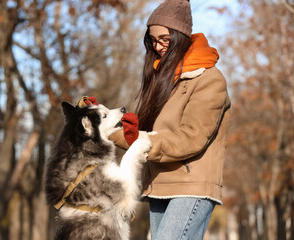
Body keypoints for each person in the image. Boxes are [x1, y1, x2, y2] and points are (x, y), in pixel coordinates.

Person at [78, 0, 231, 239]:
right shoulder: (163, 80)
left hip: (192, 188)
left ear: (180, 37)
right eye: (152, 40)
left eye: (165, 39)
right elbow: (143, 137)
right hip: (159, 184)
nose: (158, 46)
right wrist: (103, 125)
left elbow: (191, 138)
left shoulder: (209, 79)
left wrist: (144, 142)